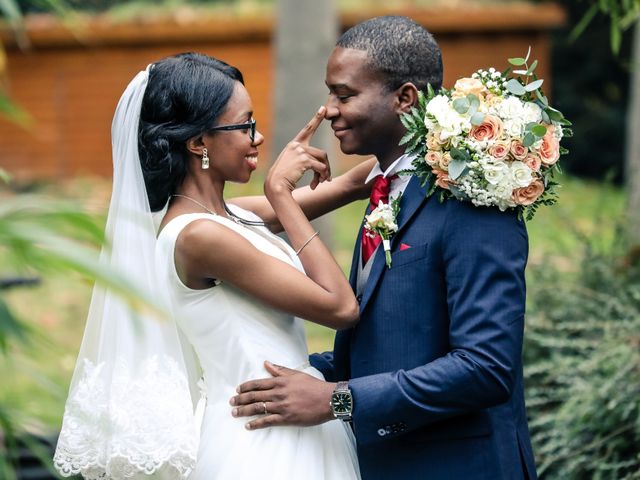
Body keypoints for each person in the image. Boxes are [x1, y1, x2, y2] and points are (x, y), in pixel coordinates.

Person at [230, 16, 538, 480]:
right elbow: (385, 347)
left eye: (345, 94)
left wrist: (338, 400)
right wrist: (270, 368)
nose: (329, 110)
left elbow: (486, 367)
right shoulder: (384, 188)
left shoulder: (472, 197)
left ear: (405, 98)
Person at [54, 52, 369, 479]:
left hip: (298, 420)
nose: (257, 139)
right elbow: (340, 308)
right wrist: (279, 192)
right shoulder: (198, 237)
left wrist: (447, 133)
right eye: (244, 126)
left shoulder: (232, 215)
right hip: (264, 443)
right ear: (198, 142)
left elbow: (354, 183)